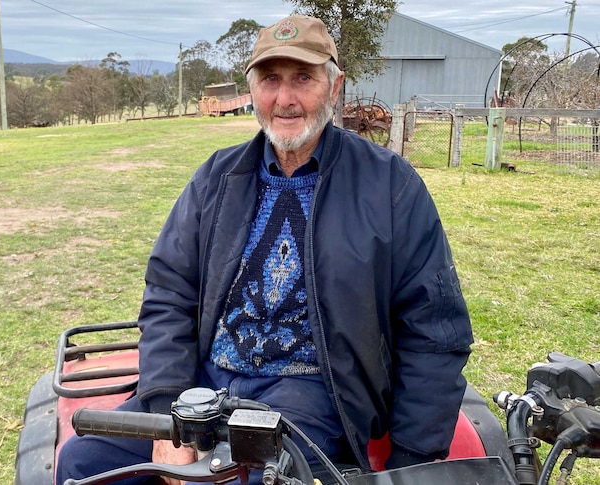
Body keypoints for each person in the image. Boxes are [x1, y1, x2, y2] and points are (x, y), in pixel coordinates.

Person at [56, 15, 473, 485]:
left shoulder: (391, 187)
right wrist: (166, 412)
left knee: (250, 478)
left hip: (312, 391)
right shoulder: (217, 177)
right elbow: (169, 293)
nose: (286, 98)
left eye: (303, 78)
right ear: (252, 88)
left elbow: (434, 329)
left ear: (334, 88)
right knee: (82, 464)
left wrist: (412, 459)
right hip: (203, 383)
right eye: (271, 79)